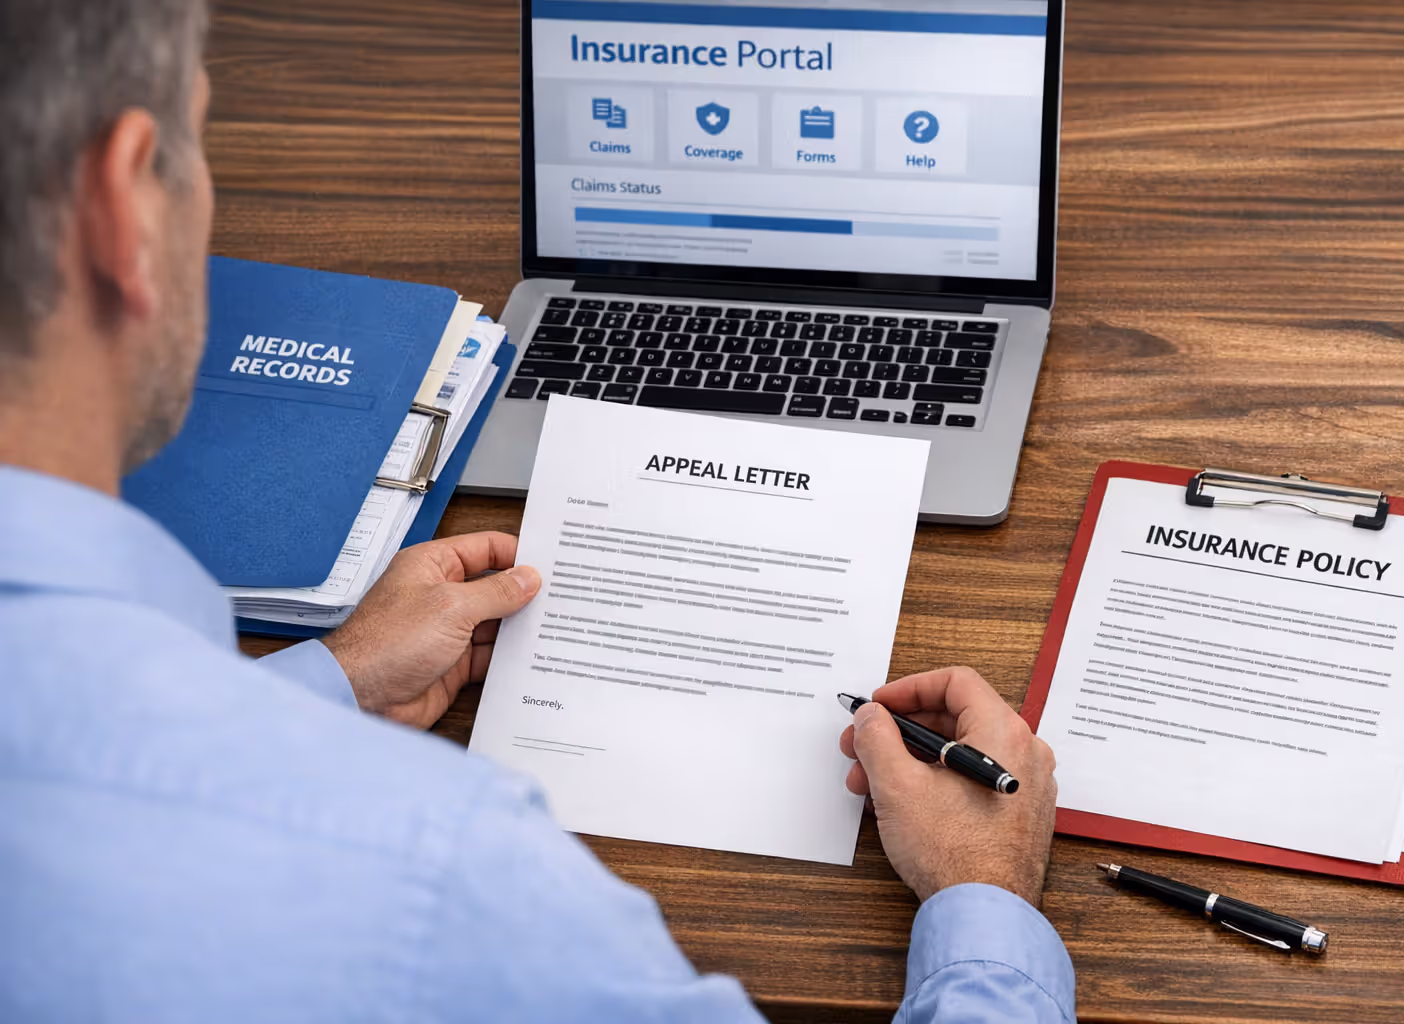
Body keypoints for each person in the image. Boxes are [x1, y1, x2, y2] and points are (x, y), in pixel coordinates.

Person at [0, 1, 1075, 1020]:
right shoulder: (447, 872)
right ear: (120, 209)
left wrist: (322, 681)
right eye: (197, 144)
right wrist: (984, 897)